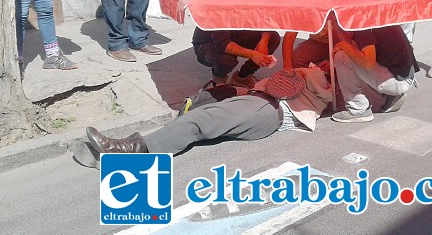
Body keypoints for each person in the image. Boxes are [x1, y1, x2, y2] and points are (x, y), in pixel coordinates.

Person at [78, 68, 333, 158]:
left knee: (201, 121)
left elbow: (313, 91)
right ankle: (175, 129)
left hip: (265, 109)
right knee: (212, 95)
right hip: (257, 101)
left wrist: (315, 71)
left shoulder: (319, 82)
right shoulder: (309, 71)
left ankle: (132, 149)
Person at [331, 25, 419, 123]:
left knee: (342, 56)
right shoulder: (372, 16)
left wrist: (343, 45)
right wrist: (337, 26)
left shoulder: (362, 25)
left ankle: (358, 109)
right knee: (351, 49)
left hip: (398, 81)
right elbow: (351, 44)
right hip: (404, 76)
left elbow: (368, 63)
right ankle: (391, 95)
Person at [192, 28, 281, 87]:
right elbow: (221, 44)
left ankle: (242, 77)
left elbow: (263, 20)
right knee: (227, 60)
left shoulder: (253, 1)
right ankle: (218, 78)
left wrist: (264, 40)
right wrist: (253, 54)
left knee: (273, 37)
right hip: (207, 43)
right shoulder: (222, 6)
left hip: (232, 34)